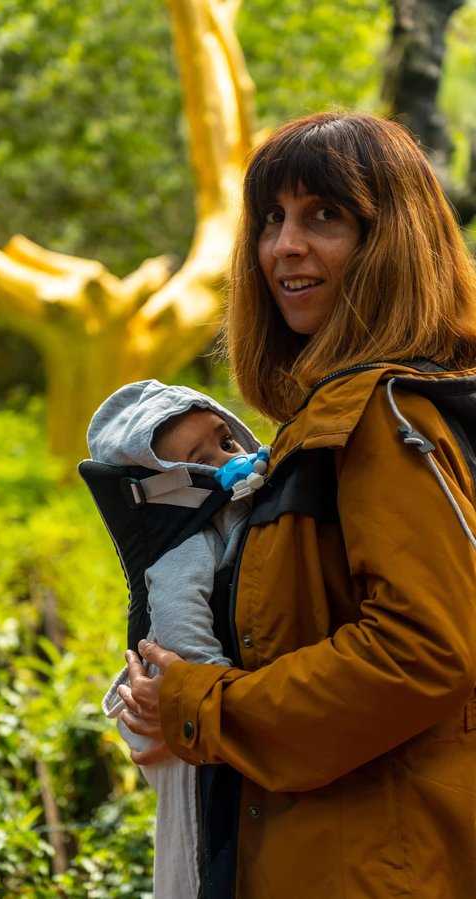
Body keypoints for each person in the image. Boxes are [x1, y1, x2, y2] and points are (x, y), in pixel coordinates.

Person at [117, 112, 476, 899]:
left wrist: (202, 706)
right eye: (272, 219)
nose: (285, 246)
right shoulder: (322, 425)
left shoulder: (382, 422)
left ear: (394, 241)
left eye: (326, 216)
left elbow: (424, 652)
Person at [86, 380, 263, 899]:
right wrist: (207, 681)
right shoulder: (189, 547)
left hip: (222, 722)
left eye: (226, 440)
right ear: (167, 487)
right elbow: (178, 618)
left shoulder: (250, 507)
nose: (227, 458)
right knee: (198, 855)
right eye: (198, 460)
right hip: (192, 721)